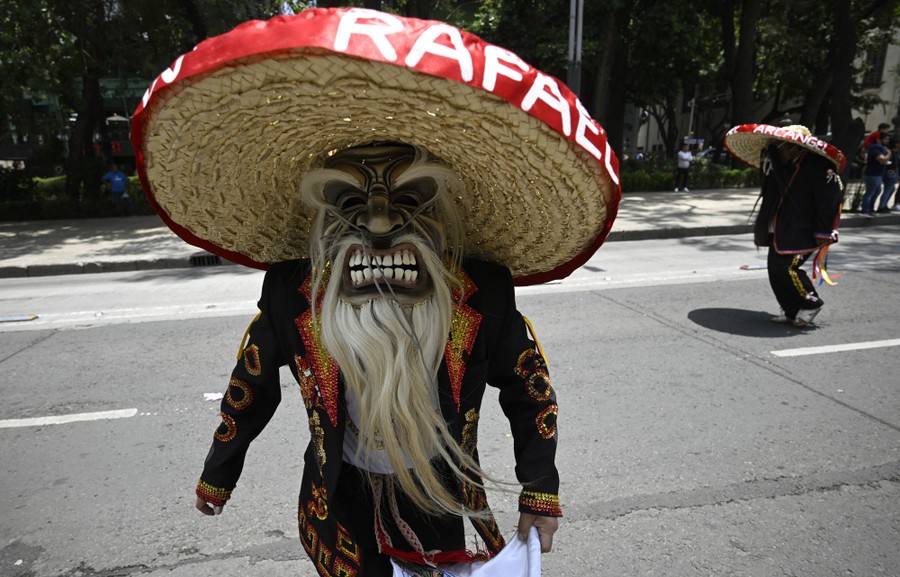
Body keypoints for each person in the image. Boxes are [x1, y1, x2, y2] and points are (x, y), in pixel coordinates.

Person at [131, 8, 621, 577]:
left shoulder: (482, 294)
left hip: (438, 495)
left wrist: (540, 489)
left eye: (408, 202)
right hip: (341, 499)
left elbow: (530, 390)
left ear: (438, 215)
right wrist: (220, 472)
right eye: (352, 204)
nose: (381, 225)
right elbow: (251, 387)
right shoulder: (292, 294)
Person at [724, 124, 847, 327]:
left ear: (795, 147)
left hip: (804, 228)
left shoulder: (819, 166)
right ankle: (790, 309)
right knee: (775, 269)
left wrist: (824, 231)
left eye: (781, 145)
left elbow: (829, 201)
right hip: (781, 226)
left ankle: (810, 303)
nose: (777, 149)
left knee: (788, 268)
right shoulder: (780, 165)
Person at [861, 132, 891, 217]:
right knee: (870, 192)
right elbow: (882, 159)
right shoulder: (875, 149)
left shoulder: (880, 148)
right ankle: (865, 210)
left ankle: (870, 209)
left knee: (877, 191)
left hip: (877, 174)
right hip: (872, 174)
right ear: (879, 140)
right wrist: (889, 153)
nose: (887, 141)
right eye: (885, 139)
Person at [877, 136, 899, 213]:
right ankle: (881, 206)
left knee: (892, 189)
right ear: (896, 144)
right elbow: (889, 163)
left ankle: (884, 205)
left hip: (893, 173)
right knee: (888, 189)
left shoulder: (895, 152)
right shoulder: (890, 152)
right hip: (890, 173)